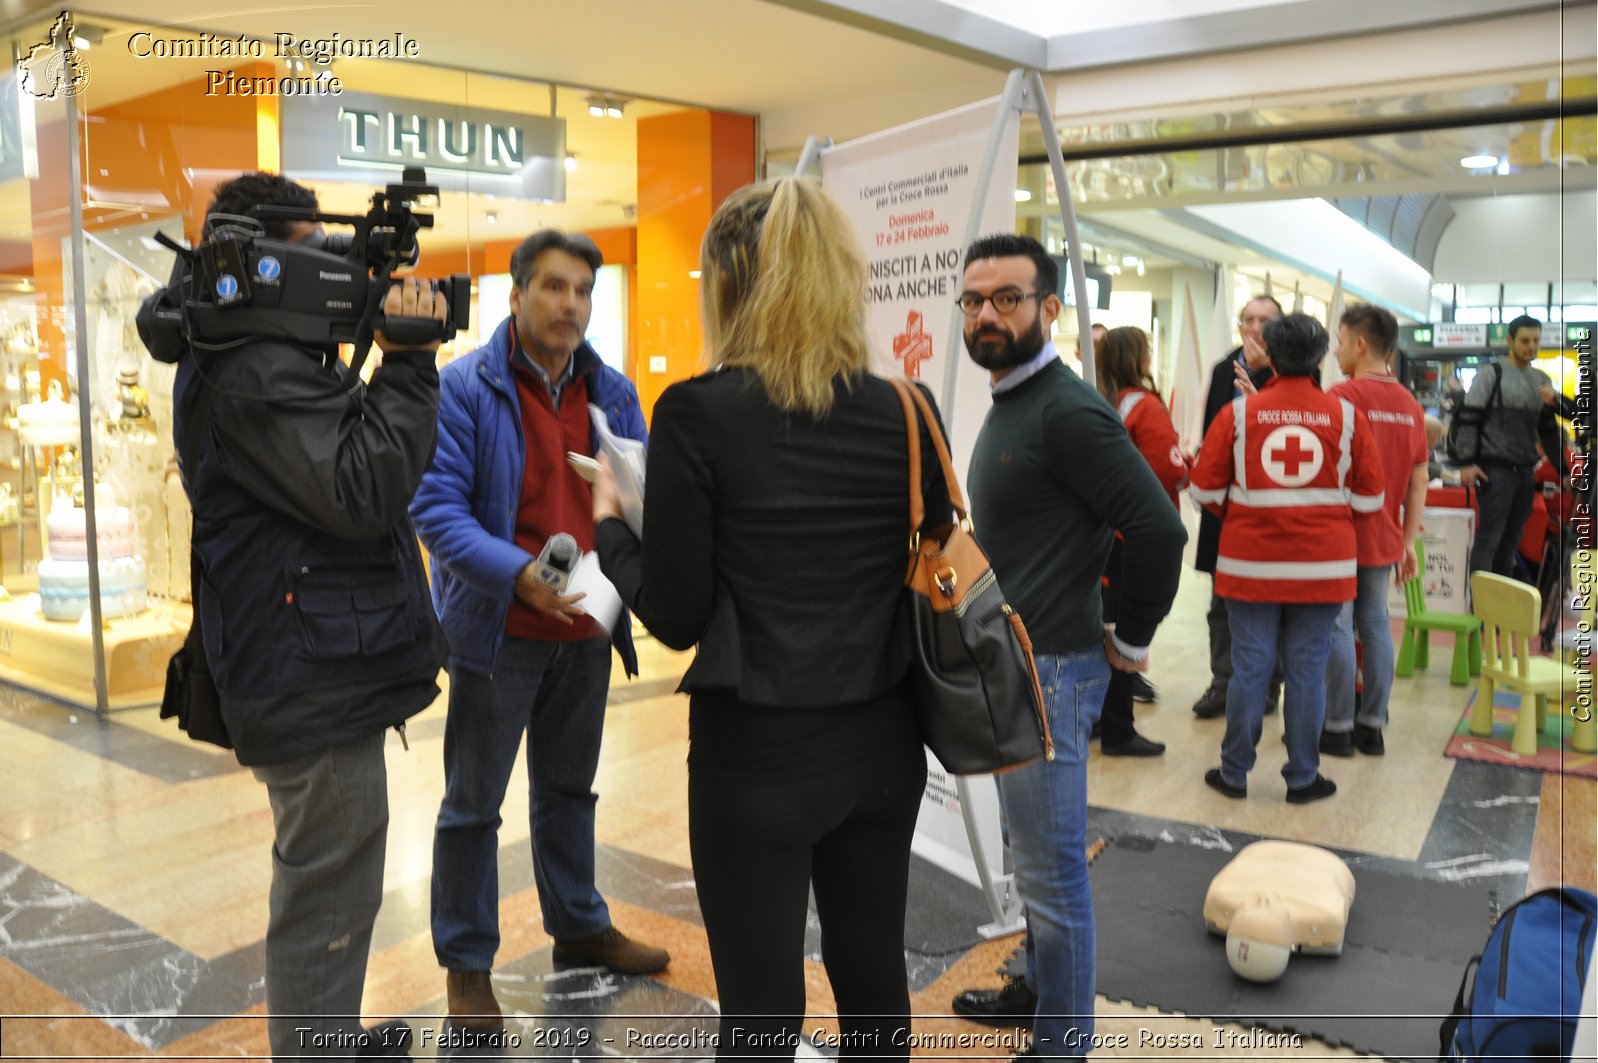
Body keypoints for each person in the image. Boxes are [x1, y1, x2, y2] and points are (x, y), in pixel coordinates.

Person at [591, 177, 948, 1060]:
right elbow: (926, 557)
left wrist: (609, 525)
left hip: (754, 761)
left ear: (727, 285)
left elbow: (675, 613)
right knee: (874, 984)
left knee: (759, 1013)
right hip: (883, 744)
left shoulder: (698, 413)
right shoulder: (908, 409)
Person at [141, 172, 448, 1060]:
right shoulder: (253, 367)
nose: (325, 272)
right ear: (263, 257)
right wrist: (409, 363)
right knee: (327, 907)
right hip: (306, 672)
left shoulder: (246, 348)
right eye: (310, 254)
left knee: (334, 892)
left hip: (306, 658)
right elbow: (360, 486)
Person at [409, 230, 667, 1034]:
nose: (571, 305)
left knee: (568, 792)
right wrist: (520, 574)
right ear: (516, 294)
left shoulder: (612, 391)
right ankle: (467, 965)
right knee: (471, 807)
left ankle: (579, 923)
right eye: (554, 287)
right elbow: (436, 508)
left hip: (585, 624)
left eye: (584, 290)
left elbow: (636, 500)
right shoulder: (464, 389)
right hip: (498, 632)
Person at [949, 234, 1186, 1060]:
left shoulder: (1068, 408)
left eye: (1007, 298)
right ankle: (1042, 990)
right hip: (1018, 662)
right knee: (1036, 861)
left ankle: (1063, 1045)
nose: (987, 313)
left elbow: (1158, 527)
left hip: (1051, 669)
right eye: (975, 299)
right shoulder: (1017, 398)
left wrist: (1132, 636)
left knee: (1053, 877)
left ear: (1048, 308)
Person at [1190, 312, 1384, 805]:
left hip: (1249, 567)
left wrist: (1242, 508)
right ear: (1322, 358)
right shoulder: (1345, 417)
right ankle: (1302, 777)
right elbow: (1368, 502)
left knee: (1249, 669)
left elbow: (1204, 491)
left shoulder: (1238, 414)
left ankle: (1233, 773)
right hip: (1323, 571)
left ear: (1269, 356)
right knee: (1306, 671)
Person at [1320, 306, 1429, 758]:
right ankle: (1373, 726)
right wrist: (1407, 542)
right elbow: (1419, 478)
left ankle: (1338, 727)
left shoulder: (1343, 395)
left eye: (1341, 342)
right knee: (1377, 624)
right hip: (1385, 535)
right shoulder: (1410, 404)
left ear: (1360, 344)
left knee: (1338, 627)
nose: (1337, 350)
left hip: (1342, 534)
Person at [1091, 325, 1190, 756]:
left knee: (1102, 626)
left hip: (1103, 534)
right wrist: (1186, 466)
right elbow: (1166, 472)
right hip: (1138, 534)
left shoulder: (1099, 402)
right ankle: (1118, 728)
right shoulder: (1145, 407)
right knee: (1127, 631)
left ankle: (1098, 719)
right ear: (1139, 359)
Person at [1192, 295, 1285, 720]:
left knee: (1273, 605)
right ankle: (1223, 682)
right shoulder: (1221, 369)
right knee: (1221, 604)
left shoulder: (1292, 370)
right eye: (1248, 318)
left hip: (1273, 511)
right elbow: (1213, 433)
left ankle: (1268, 686)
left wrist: (1261, 387)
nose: (1255, 327)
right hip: (1227, 507)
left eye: (1265, 320)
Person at [1450, 314, 1564, 577]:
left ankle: (1500, 612)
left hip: (1525, 472)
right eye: (1525, 340)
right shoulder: (1491, 374)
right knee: (1488, 541)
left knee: (1510, 545)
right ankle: (1482, 613)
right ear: (1510, 340)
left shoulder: (1540, 379)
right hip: (1494, 472)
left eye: (1536, 340)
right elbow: (1469, 420)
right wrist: (1467, 463)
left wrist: (1564, 471)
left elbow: (1548, 430)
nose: (1531, 346)